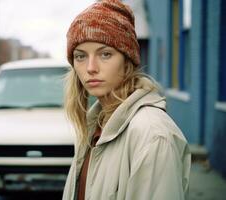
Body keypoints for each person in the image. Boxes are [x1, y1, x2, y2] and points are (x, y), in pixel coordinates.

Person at [62, 0, 191, 200]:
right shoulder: (93, 126)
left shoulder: (152, 135)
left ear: (127, 61)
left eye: (105, 54)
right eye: (80, 56)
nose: (90, 68)